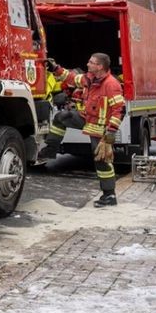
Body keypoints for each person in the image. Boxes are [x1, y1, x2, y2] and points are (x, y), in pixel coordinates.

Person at [40, 52, 126, 207]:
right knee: (61, 117)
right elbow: (72, 78)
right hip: (87, 120)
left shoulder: (111, 85)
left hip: (101, 129)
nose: (87, 64)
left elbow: (119, 110)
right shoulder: (88, 78)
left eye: (91, 62)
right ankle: (51, 149)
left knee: (101, 161)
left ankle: (109, 195)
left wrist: (110, 134)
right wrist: (56, 68)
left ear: (99, 67)